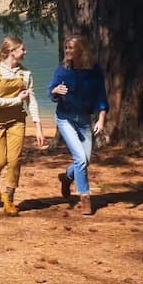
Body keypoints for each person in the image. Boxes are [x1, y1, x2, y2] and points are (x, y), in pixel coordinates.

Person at [0, 36, 46, 216]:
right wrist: (17, 100)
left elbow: (31, 101)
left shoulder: (25, 74)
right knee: (0, 159)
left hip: (17, 121)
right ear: (12, 52)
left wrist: (38, 126)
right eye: (22, 49)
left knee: (15, 160)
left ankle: (9, 198)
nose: (25, 52)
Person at [48, 35, 109, 216]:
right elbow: (51, 90)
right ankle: (85, 199)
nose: (67, 51)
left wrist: (101, 118)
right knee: (81, 159)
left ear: (81, 50)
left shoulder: (94, 70)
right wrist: (55, 91)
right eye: (66, 48)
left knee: (85, 159)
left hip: (84, 120)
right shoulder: (63, 69)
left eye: (70, 48)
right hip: (65, 118)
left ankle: (67, 177)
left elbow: (101, 96)